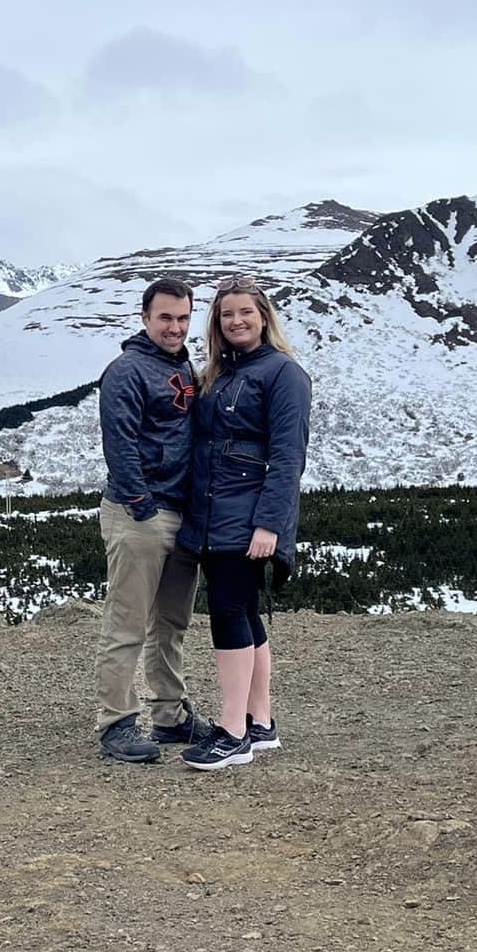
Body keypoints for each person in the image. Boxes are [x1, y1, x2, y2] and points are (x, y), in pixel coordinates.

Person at [176, 275, 312, 771]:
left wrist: (270, 525)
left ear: (264, 317)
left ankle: (232, 732)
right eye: (226, 314)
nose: (236, 321)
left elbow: (287, 455)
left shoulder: (283, 374)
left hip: (247, 516)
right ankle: (261, 723)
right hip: (214, 514)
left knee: (229, 612)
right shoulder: (219, 374)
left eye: (245, 313)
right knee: (245, 612)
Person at [95, 278, 214, 763]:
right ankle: (116, 722)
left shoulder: (183, 366)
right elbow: (119, 443)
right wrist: (142, 506)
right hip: (139, 512)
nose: (175, 327)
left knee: (171, 622)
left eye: (183, 319)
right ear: (145, 318)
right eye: (166, 318)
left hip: (181, 514)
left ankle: (169, 715)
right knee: (127, 624)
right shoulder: (126, 371)